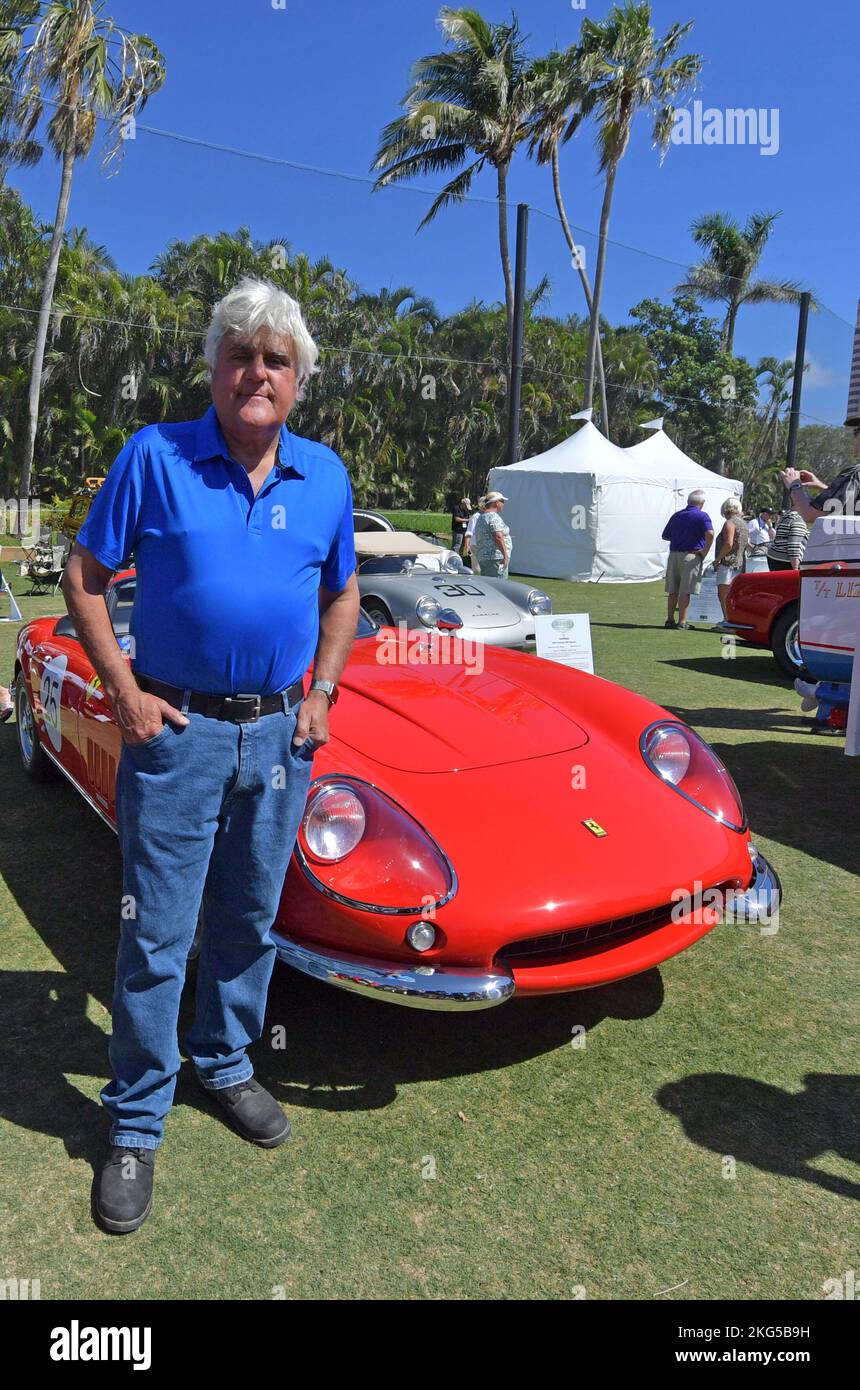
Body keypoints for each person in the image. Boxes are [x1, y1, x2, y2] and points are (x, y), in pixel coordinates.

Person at [62, 277, 359, 1234]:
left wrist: (321, 693)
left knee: (247, 917)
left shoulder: (325, 477)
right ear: (215, 367)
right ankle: (137, 1120)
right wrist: (124, 692)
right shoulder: (155, 456)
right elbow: (84, 576)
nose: (257, 372)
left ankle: (225, 1063)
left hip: (280, 735)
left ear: (299, 381)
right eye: (241, 354)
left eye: (277, 359)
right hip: (177, 735)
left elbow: (343, 595)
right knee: (155, 932)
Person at [782, 416, 860, 523]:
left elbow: (811, 515)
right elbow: (850, 503)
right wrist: (823, 487)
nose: (854, 437)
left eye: (856, 431)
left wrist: (794, 485)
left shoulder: (855, 474)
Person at [661, 490, 714, 629]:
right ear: (702, 503)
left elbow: (665, 535)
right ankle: (682, 622)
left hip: (674, 555)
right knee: (685, 590)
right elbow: (710, 533)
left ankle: (670, 619)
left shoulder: (677, 515)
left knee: (673, 589)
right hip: (691, 555)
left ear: (688, 502)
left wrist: (680, 537)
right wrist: (704, 551)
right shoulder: (702, 516)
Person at [711, 498, 749, 618]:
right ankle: (733, 620)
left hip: (728, 563)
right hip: (740, 563)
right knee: (733, 595)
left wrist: (717, 559)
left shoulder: (730, 523)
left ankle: (728, 621)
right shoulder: (743, 523)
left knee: (724, 596)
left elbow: (728, 543)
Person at [472, 490, 512, 578]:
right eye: (502, 501)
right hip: (496, 558)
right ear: (496, 503)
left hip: (484, 558)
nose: (503, 504)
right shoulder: (493, 516)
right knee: (499, 586)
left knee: (488, 586)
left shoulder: (481, 517)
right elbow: (497, 536)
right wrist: (505, 556)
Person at [463, 496, 486, 572]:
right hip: (476, 545)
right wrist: (467, 546)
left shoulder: (488, 516)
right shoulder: (475, 517)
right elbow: (469, 532)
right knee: (477, 569)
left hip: (485, 546)